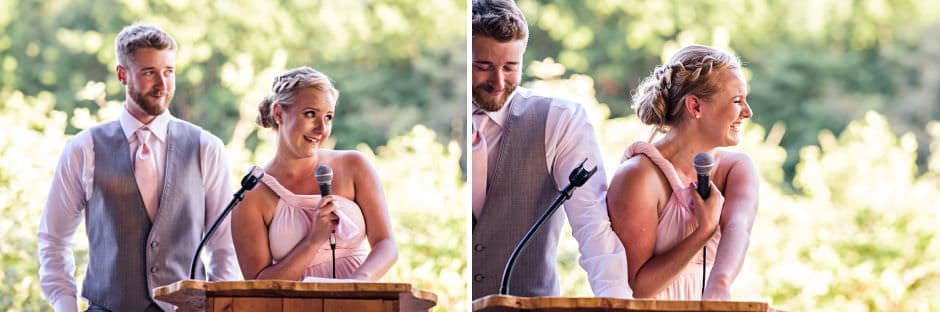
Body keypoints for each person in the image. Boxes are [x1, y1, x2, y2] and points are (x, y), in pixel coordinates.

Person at [38, 24, 241, 311]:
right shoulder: (84, 149)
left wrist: (220, 307)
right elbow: (54, 239)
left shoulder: (206, 147)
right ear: (122, 74)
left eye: (169, 71)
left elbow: (224, 246)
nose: (162, 84)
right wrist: (66, 305)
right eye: (149, 73)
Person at [471, 0, 630, 299]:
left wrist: (615, 301)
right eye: (483, 67)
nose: (498, 82)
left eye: (510, 67)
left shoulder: (561, 120)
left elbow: (593, 224)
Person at [607, 44, 760, 300]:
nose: (748, 112)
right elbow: (639, 288)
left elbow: (739, 228)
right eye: (737, 101)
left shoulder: (737, 169)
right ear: (695, 107)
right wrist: (703, 231)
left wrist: (719, 285)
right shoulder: (638, 177)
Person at [231, 67, 397, 282]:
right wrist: (313, 240)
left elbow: (386, 244)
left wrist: (354, 286)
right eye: (310, 114)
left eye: (328, 117)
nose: (321, 128)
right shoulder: (252, 196)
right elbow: (259, 285)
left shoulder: (355, 166)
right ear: (278, 113)